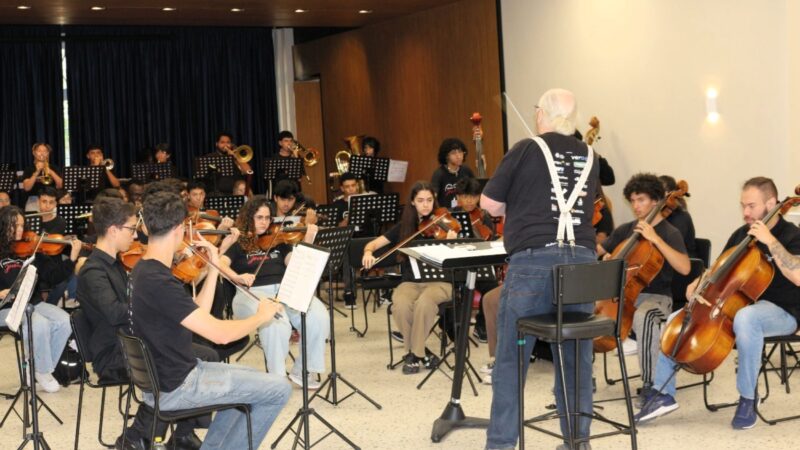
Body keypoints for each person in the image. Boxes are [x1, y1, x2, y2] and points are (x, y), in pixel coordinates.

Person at [480, 88, 599, 449]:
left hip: (533, 265)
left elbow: (489, 203)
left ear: (540, 115)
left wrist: (512, 205)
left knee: (511, 362)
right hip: (582, 266)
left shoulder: (526, 148)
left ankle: (501, 444)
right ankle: (578, 441)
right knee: (576, 360)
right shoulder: (591, 155)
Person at [129, 190, 291, 450]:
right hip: (177, 385)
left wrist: (213, 267)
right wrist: (262, 316)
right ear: (180, 228)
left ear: (147, 227)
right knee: (279, 389)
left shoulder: (145, 269)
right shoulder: (158, 280)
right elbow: (220, 335)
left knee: (250, 378)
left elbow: (198, 312)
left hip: (173, 375)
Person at [637, 177, 800, 430]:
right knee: (675, 320)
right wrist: (698, 282)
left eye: (752, 206)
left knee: (747, 318)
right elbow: (717, 268)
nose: (746, 213)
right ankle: (663, 393)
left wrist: (770, 241)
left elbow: (798, 275)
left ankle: (747, 398)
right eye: (742, 206)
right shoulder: (741, 234)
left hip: (782, 311)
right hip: (737, 305)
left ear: (771, 203)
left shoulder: (791, 235)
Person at [78, 197, 218, 450]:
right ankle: (136, 437)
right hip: (114, 352)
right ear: (113, 230)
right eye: (131, 229)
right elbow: (115, 313)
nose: (135, 235)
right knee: (175, 361)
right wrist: (154, 305)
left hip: (135, 343)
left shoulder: (116, 265)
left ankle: (183, 433)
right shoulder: (93, 271)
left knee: (204, 353)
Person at [597, 173, 690, 404]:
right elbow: (601, 250)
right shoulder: (627, 230)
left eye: (641, 200)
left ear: (656, 200)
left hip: (657, 297)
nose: (636, 206)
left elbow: (685, 268)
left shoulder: (670, 232)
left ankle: (651, 385)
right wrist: (605, 256)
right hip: (623, 295)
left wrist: (656, 239)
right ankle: (582, 378)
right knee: (583, 307)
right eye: (632, 201)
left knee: (645, 316)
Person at [219, 195, 329, 389]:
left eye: (268, 217)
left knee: (318, 315)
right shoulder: (239, 242)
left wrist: (308, 240)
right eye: (259, 217)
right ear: (248, 218)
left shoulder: (278, 241)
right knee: (277, 323)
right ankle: (277, 381)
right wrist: (237, 277)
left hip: (285, 290)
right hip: (252, 293)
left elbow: (295, 265)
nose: (264, 222)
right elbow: (221, 264)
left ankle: (302, 371)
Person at [362, 181, 457, 374]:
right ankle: (422, 353)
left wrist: (452, 243)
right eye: (420, 200)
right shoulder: (404, 228)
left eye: (430, 200)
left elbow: (460, 256)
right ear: (412, 202)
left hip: (440, 281)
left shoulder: (445, 224)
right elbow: (373, 244)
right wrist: (367, 252)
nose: (426, 205)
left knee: (424, 304)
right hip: (411, 281)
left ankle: (414, 354)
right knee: (401, 305)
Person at [0, 206, 71, 393]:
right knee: (38, 323)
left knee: (65, 321)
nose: (20, 230)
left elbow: (54, 276)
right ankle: (42, 371)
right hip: (6, 308)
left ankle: (38, 369)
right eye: (15, 226)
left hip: (32, 303)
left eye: (22, 225)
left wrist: (71, 260)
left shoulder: (32, 249)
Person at [659, 175, 697, 258]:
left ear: (669, 194)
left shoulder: (681, 217)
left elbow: (674, 247)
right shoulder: (659, 214)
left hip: (682, 262)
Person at [431, 138, 475, 209]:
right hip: (445, 214)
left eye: (460, 152)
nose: (458, 156)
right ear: (446, 156)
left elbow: (475, 191)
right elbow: (433, 197)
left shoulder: (467, 171)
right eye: (453, 153)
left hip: (464, 211)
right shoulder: (439, 174)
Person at [22, 142, 63, 211]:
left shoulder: (54, 168)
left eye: (45, 151)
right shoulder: (29, 169)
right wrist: (37, 172)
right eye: (39, 151)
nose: (42, 153)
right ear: (34, 153)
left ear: (48, 154)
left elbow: (60, 185)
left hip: (51, 199)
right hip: (34, 200)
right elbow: (26, 188)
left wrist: (51, 172)